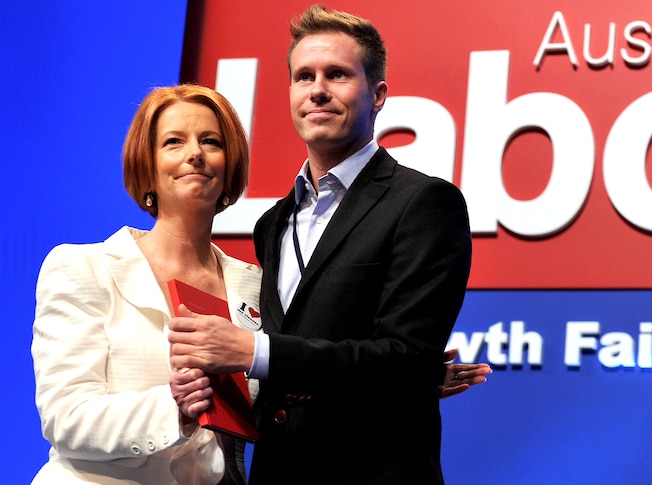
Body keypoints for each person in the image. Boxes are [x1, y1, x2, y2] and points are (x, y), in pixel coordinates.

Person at [168, 4, 481, 484]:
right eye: (303, 76)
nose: (317, 90)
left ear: (377, 96)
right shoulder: (273, 223)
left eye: (337, 75)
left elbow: (405, 356)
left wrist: (255, 352)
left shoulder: (424, 202)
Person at [30, 84, 259, 484]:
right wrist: (173, 407)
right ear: (147, 166)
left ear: (230, 165)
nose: (195, 153)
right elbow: (65, 418)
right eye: (173, 142)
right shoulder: (84, 268)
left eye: (210, 141)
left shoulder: (254, 286)